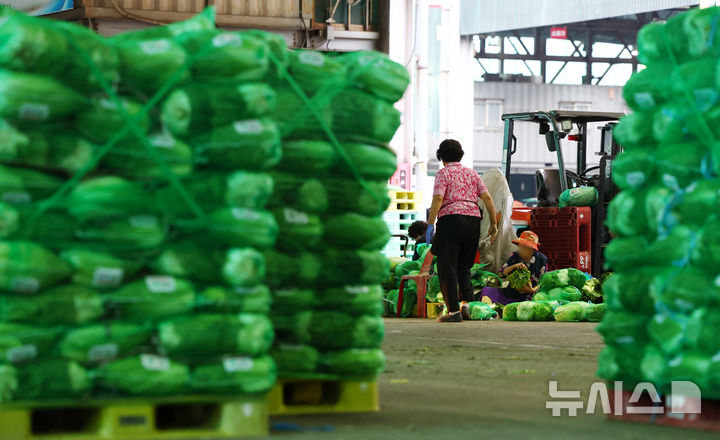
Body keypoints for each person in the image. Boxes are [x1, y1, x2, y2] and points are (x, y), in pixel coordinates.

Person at [427, 139, 497, 322]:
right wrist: (493, 223)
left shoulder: (443, 173)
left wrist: (430, 223)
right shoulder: (472, 173)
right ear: (461, 155)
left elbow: (438, 199)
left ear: (441, 157)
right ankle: (466, 306)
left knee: (447, 266)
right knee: (464, 265)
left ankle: (453, 312)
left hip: (451, 219)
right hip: (473, 220)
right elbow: (487, 198)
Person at [480, 231, 548, 305]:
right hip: (510, 294)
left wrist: (531, 290)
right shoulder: (515, 256)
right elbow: (500, 274)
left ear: (531, 249)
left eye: (523, 247)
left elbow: (543, 283)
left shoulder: (542, 260)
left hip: (529, 298)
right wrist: (513, 267)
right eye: (519, 246)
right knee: (488, 289)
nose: (519, 250)